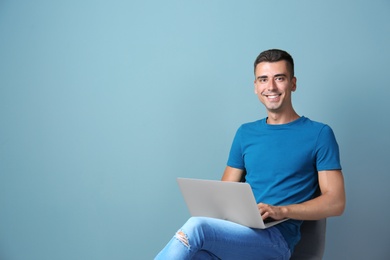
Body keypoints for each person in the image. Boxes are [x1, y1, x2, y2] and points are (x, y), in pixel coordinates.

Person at [155, 49, 346, 259]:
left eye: (279, 78)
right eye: (263, 79)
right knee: (197, 255)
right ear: (255, 87)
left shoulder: (319, 134)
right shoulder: (245, 133)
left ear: (293, 83)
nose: (270, 87)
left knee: (197, 227)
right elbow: (223, 194)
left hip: (276, 240)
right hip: (237, 234)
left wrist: (282, 211)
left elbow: (335, 202)